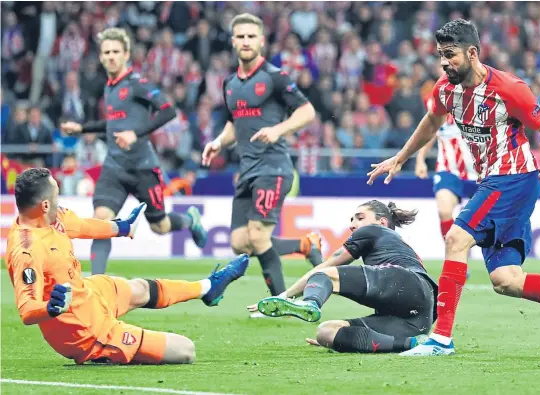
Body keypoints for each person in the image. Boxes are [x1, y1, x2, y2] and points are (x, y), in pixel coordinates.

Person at [367, 19, 540, 356]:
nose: (444, 61)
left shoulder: (510, 88)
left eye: (450, 54)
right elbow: (431, 122)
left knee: (456, 238)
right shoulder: (445, 89)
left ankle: (440, 339)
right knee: (506, 280)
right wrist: (401, 157)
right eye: (441, 54)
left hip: (513, 178)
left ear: (472, 53)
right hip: (493, 181)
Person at [5, 168, 249, 365]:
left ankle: (208, 287)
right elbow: (27, 310)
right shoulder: (27, 250)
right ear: (45, 205)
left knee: (141, 288)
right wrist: (51, 307)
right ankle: (104, 353)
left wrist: (122, 228)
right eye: (57, 196)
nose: (61, 203)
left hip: (88, 293)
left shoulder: (52, 217)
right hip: (83, 332)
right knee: (186, 350)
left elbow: (81, 225)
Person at [60, 27, 207, 275]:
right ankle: (97, 282)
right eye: (106, 52)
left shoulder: (138, 84)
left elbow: (168, 110)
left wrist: (135, 134)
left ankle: (190, 220)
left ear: (126, 53)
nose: (111, 56)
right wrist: (82, 128)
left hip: (142, 168)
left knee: (159, 226)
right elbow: (114, 125)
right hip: (114, 167)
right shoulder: (110, 87)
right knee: (101, 221)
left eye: (116, 51)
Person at [201, 14, 319, 306]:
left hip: (273, 167)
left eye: (251, 36)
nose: (245, 41)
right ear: (232, 42)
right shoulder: (229, 83)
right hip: (247, 171)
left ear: (261, 41)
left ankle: (279, 302)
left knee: (257, 235)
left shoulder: (275, 77)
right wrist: (217, 142)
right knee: (240, 243)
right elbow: (234, 123)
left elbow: (307, 112)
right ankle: (304, 245)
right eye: (240, 36)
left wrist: (277, 129)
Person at [253, 200, 437, 354]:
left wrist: (285, 296)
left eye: (360, 217)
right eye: (352, 219)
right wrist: (346, 340)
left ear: (382, 222)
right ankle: (410, 344)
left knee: (322, 275)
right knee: (326, 333)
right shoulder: (399, 246)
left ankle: (310, 303)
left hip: (405, 282)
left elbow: (327, 267)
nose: (352, 224)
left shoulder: (373, 230)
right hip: (420, 317)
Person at [415, 94, 477, 240]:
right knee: (444, 211)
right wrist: (420, 158)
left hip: (480, 171)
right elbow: (430, 131)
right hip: (448, 170)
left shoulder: (480, 97)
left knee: (492, 219)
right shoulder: (436, 100)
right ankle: (452, 251)